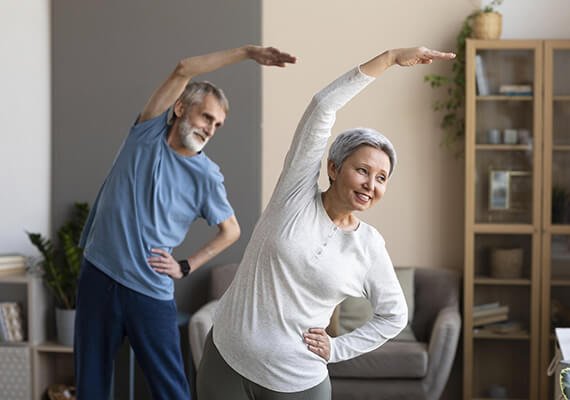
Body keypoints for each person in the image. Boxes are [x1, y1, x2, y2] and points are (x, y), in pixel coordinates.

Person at [197, 46, 455, 400]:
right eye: (362, 170)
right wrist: (390, 58)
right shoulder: (295, 195)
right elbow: (323, 105)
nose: (370, 184)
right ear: (333, 168)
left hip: (296, 383)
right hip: (224, 361)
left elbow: (394, 315)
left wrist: (338, 349)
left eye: (381, 178)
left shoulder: (368, 246)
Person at [74, 45, 297, 400]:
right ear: (179, 108)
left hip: (148, 291)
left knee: (171, 392)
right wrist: (248, 53)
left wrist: (185, 265)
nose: (211, 128)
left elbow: (232, 231)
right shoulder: (145, 133)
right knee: (91, 386)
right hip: (98, 276)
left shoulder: (207, 176)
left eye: (217, 125)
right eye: (207, 117)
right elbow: (183, 68)